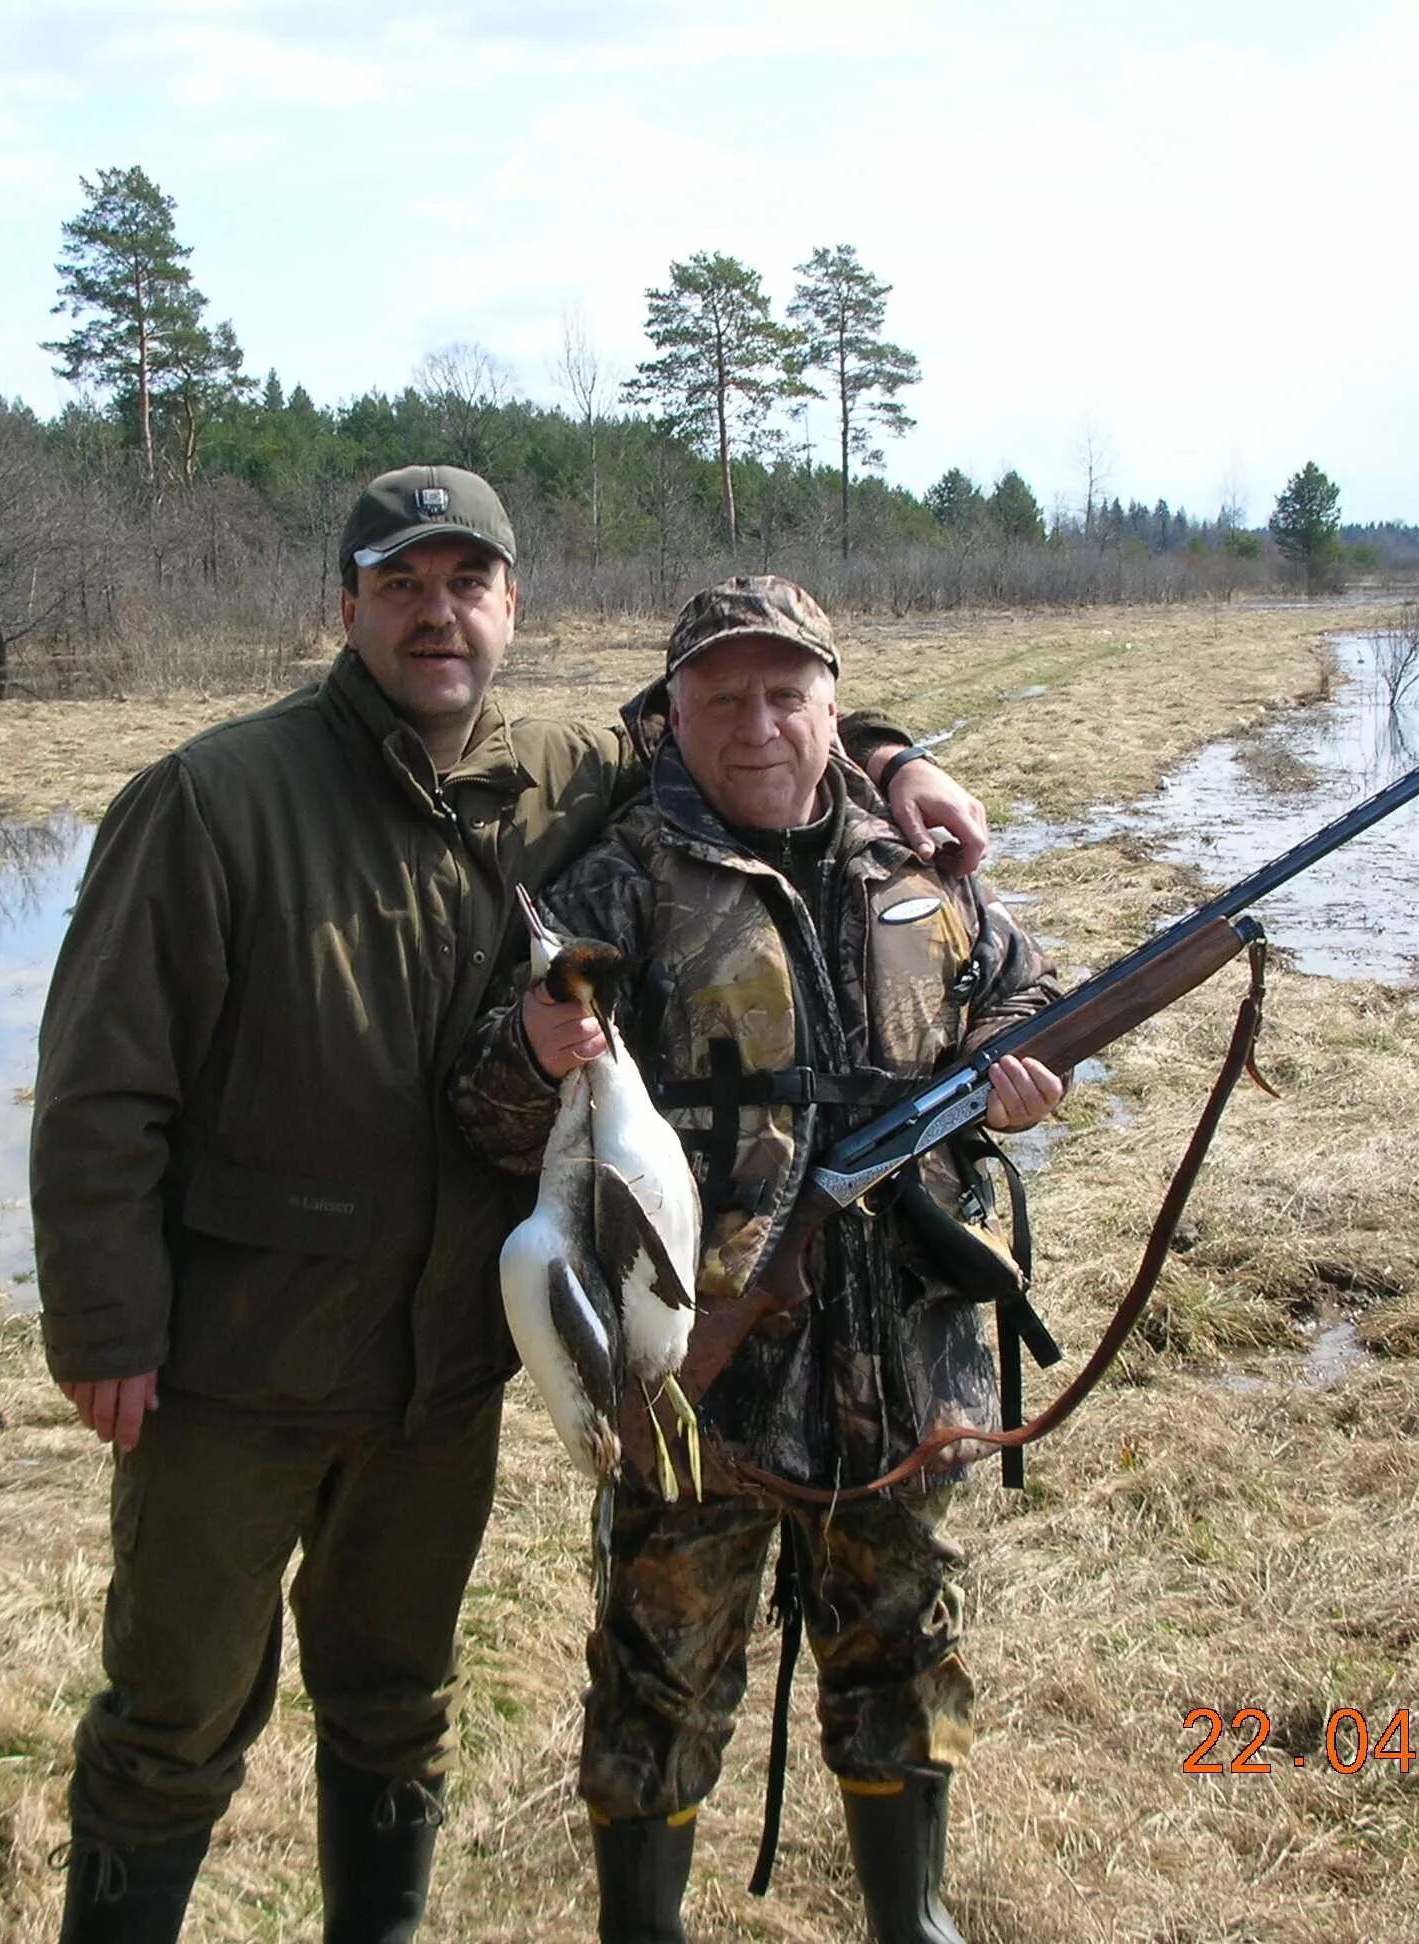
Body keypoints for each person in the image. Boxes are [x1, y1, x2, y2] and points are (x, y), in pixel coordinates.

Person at [29, 470, 990, 1943]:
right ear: (343, 606)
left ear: (509, 606)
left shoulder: (554, 768)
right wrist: (106, 1320)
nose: (436, 615)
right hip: (241, 1360)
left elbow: (743, 716)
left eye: (466, 584)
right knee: (176, 1715)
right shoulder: (215, 797)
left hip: (443, 1367)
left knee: (397, 1702)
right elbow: (103, 1085)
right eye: (400, 585)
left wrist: (888, 756)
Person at [449, 574, 1066, 1944]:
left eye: (787, 693)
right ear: (672, 714)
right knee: (658, 1672)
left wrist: (1010, 1070)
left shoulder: (920, 872)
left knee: (903, 1647)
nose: (756, 722)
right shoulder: (614, 887)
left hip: (907, 1362)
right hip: (697, 1382)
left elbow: (1030, 989)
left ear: (835, 710)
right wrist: (526, 1057)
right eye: (721, 696)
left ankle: (913, 1917)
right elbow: (491, 1118)